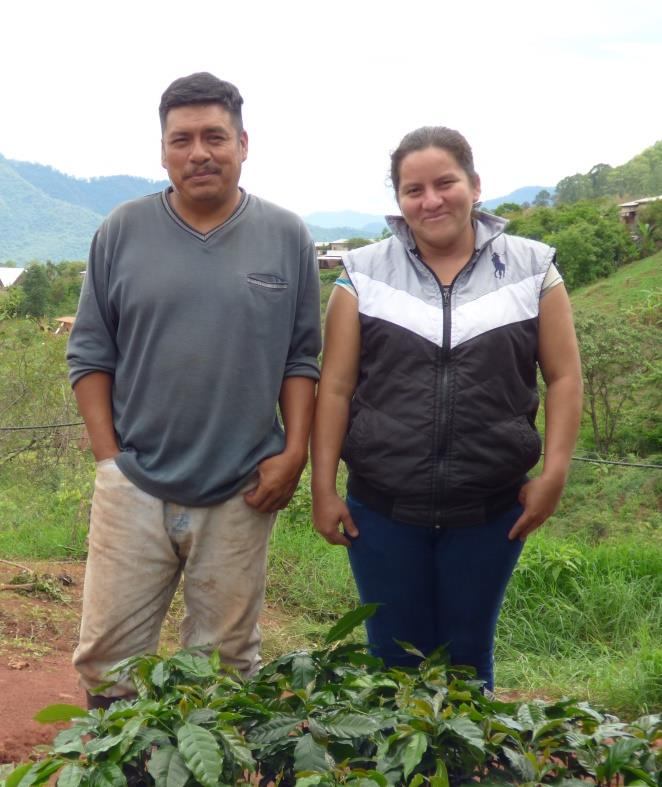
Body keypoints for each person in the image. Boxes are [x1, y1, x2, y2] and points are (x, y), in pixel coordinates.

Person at [67, 72, 321, 708]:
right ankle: (120, 772)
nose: (198, 152)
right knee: (109, 660)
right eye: (181, 139)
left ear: (242, 142)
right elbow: (90, 355)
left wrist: (293, 453)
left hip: (241, 488)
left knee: (225, 663)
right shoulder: (121, 231)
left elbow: (301, 359)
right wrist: (109, 464)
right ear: (162, 150)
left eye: (214, 136)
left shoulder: (287, 236)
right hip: (135, 482)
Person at [311, 126, 582, 691]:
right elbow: (334, 388)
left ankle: (468, 775)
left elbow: (563, 376)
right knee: (392, 660)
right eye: (413, 190)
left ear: (474, 186)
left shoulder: (534, 270)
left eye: (445, 183)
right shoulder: (363, 275)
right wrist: (324, 486)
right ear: (399, 202)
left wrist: (554, 472)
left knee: (467, 659)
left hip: (490, 509)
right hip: (381, 508)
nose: (431, 200)